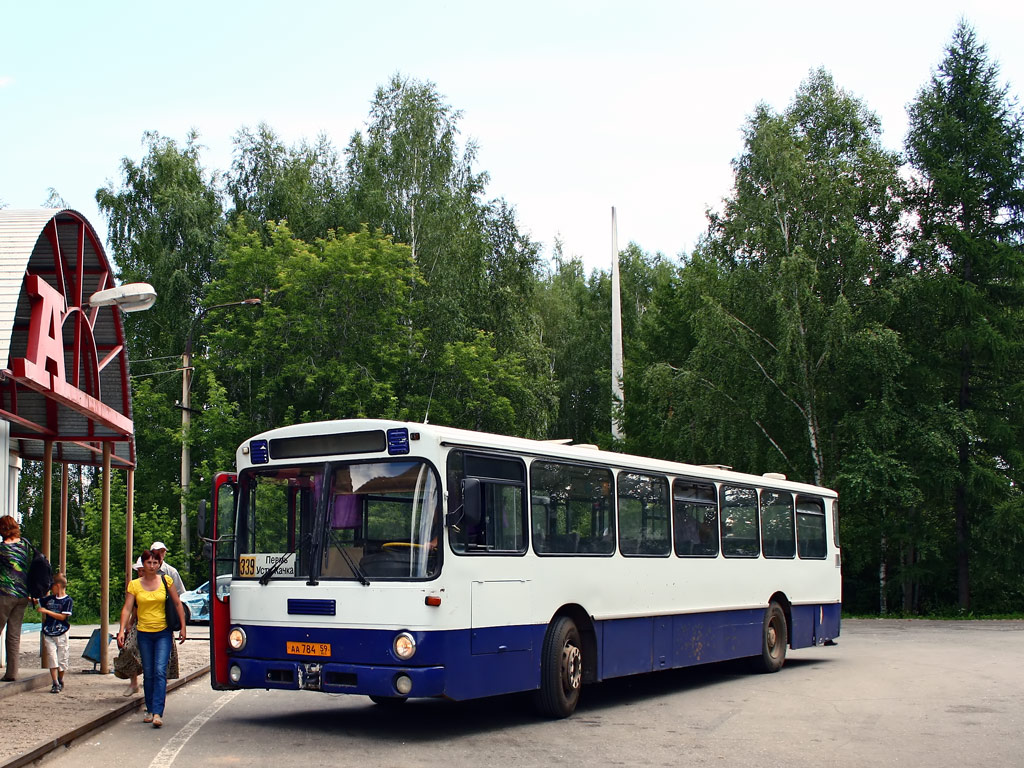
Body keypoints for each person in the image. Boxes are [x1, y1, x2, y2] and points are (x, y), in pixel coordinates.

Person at [117, 550, 186, 728]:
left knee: (160, 670)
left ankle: (157, 712)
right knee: (148, 673)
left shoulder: (166, 581)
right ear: (143, 565)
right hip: (144, 633)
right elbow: (127, 608)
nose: (152, 566)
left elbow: (177, 603)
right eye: (149, 563)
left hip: (163, 632)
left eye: (156, 563)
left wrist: (183, 626)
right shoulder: (134, 585)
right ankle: (149, 709)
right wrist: (121, 630)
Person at [0, 514, 32, 682]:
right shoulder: (24, 545)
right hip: (22, 595)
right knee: (13, 635)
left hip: (5, 594)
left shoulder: (2, 549)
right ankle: (12, 673)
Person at [35, 572, 73, 693]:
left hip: (62, 632)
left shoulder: (67, 601)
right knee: (52, 657)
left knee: (62, 658)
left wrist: (46, 611)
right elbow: (37, 601)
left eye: (52, 586)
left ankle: (60, 679)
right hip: (48, 632)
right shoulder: (49, 599)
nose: (51, 589)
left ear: (57, 586)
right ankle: (55, 682)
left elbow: (63, 617)